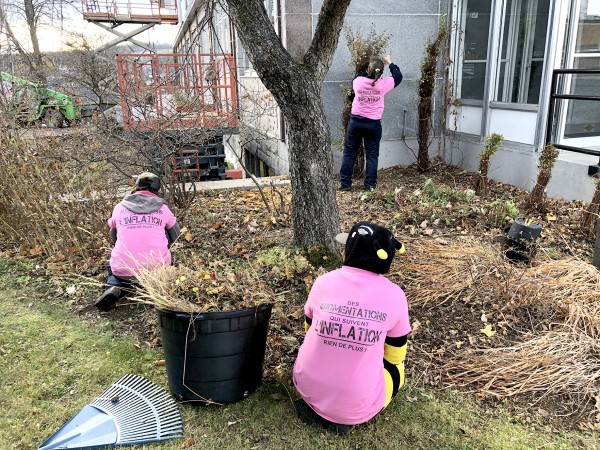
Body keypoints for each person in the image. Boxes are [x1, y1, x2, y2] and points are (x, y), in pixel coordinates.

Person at [292, 221, 410, 434]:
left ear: (349, 253)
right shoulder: (395, 295)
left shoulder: (323, 282)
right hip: (356, 403)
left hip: (306, 384)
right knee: (398, 369)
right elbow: (394, 356)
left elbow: (308, 329)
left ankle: (314, 404)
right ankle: (346, 414)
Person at [94, 172, 180, 311]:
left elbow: (113, 236)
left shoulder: (120, 207)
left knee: (117, 252)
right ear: (157, 190)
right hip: (155, 270)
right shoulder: (163, 209)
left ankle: (114, 286)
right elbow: (176, 235)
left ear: (136, 187)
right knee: (164, 231)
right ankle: (156, 290)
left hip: (123, 270)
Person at [339, 55, 403, 191]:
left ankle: (345, 184)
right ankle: (370, 186)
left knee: (350, 152)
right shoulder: (384, 84)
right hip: (373, 125)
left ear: (369, 69)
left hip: (356, 122)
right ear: (381, 72)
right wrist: (390, 62)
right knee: (372, 155)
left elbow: (360, 75)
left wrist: (369, 68)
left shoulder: (358, 82)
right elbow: (398, 76)